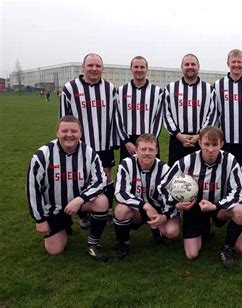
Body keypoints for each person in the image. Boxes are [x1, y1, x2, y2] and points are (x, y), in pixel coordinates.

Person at [60, 53, 135, 227]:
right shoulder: (70, 88)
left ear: (102, 68)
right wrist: (66, 143)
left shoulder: (109, 88)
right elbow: (64, 119)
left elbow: (117, 117)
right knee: (81, 179)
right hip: (80, 145)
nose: (94, 69)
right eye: (90, 65)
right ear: (83, 67)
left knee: (106, 177)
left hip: (104, 143)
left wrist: (124, 140)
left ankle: (105, 211)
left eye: (97, 66)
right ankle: (83, 215)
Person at [26, 116, 109, 261]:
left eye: (74, 131)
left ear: (80, 133)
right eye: (64, 131)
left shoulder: (89, 153)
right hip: (54, 207)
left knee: (102, 201)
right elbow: (32, 188)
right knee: (55, 250)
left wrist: (80, 199)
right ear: (57, 132)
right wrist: (39, 220)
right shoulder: (42, 155)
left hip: (78, 203)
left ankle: (93, 243)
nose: (69, 134)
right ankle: (63, 225)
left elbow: (100, 181)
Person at [160, 127, 242, 268]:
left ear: (221, 144)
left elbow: (238, 192)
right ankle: (205, 228)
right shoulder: (187, 161)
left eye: (214, 145)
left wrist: (216, 206)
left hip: (218, 207)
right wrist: (176, 203)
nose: (210, 149)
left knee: (240, 211)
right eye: (206, 144)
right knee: (191, 254)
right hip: (194, 208)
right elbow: (163, 186)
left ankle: (227, 248)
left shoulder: (230, 161)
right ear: (199, 143)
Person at [112, 133, 179, 261]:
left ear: (157, 151)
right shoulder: (126, 164)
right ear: (136, 150)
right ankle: (123, 243)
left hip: (158, 210)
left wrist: (164, 216)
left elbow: (171, 198)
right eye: (143, 149)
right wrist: (145, 206)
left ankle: (157, 229)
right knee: (120, 211)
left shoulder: (165, 169)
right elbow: (120, 193)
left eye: (151, 149)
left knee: (172, 232)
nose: (147, 153)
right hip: (137, 209)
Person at [163, 53, 217, 165]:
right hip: (177, 140)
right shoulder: (171, 88)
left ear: (198, 67)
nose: (190, 67)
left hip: (201, 140)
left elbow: (212, 114)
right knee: (176, 176)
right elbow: (166, 114)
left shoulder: (208, 89)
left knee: (200, 175)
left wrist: (199, 135)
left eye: (193, 64)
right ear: (181, 67)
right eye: (186, 64)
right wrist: (178, 135)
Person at [116, 56, 164, 162]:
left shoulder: (157, 92)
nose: (139, 70)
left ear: (147, 69)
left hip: (150, 139)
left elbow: (158, 119)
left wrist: (150, 141)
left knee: (152, 174)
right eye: (136, 67)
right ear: (131, 68)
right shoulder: (121, 91)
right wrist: (126, 142)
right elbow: (118, 118)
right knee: (127, 173)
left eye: (142, 67)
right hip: (128, 141)